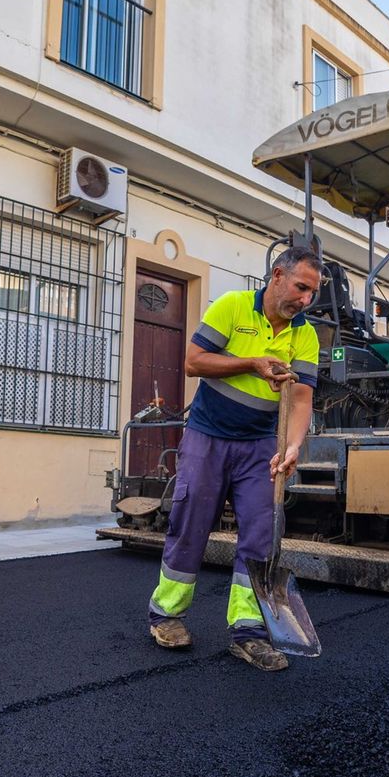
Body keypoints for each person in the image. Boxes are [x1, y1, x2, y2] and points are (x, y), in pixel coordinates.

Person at [146, 246, 321, 672]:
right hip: (208, 435)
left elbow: (301, 398)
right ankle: (166, 614)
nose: (306, 300)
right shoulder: (232, 306)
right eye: (301, 287)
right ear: (277, 276)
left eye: (312, 293)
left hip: (261, 443)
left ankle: (247, 631)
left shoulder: (305, 335)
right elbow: (193, 362)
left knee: (261, 532)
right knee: (190, 521)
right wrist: (251, 363)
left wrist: (293, 445)